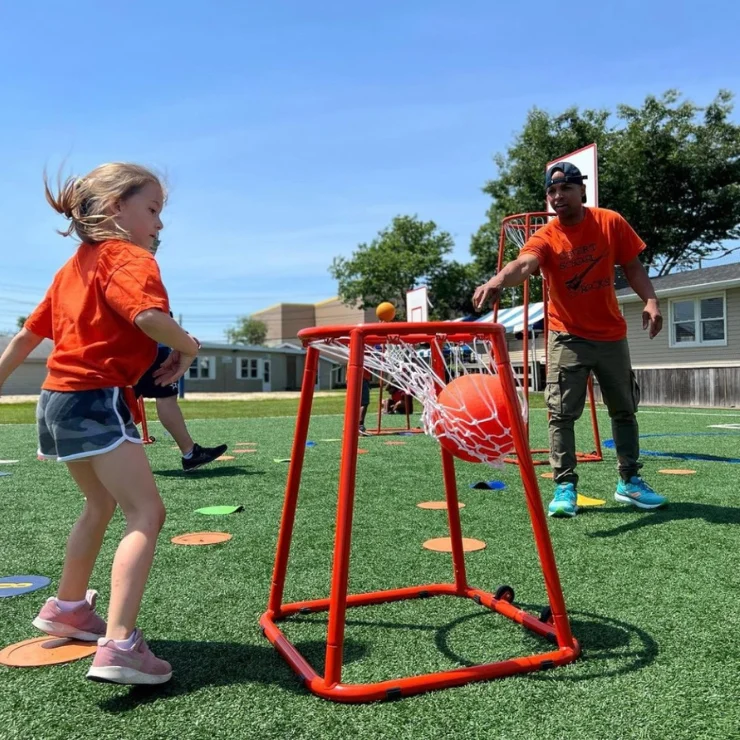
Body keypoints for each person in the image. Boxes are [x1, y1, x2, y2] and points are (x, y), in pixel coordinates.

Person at [0, 163, 199, 684]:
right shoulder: (129, 258)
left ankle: (68, 607)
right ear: (117, 209)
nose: (160, 224)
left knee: (99, 504)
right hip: (96, 397)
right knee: (146, 513)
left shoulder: (72, 268)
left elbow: (25, 339)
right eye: (153, 209)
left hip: (54, 401)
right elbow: (147, 318)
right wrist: (189, 345)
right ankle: (120, 644)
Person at [473, 161, 666, 518]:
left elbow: (633, 265)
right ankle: (565, 486)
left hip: (611, 336)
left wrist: (651, 300)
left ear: (582, 191)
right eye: (552, 192)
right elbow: (525, 265)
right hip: (567, 337)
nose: (558, 197)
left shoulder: (610, 222)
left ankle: (630, 482)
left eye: (565, 189)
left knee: (624, 410)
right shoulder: (545, 237)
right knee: (561, 414)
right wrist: (499, 280)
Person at [134, 311, 227, 470]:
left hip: (127, 350)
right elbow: (149, 314)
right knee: (166, 399)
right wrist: (185, 338)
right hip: (150, 349)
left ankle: (105, 457)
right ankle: (190, 453)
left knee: (121, 403)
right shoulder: (140, 287)